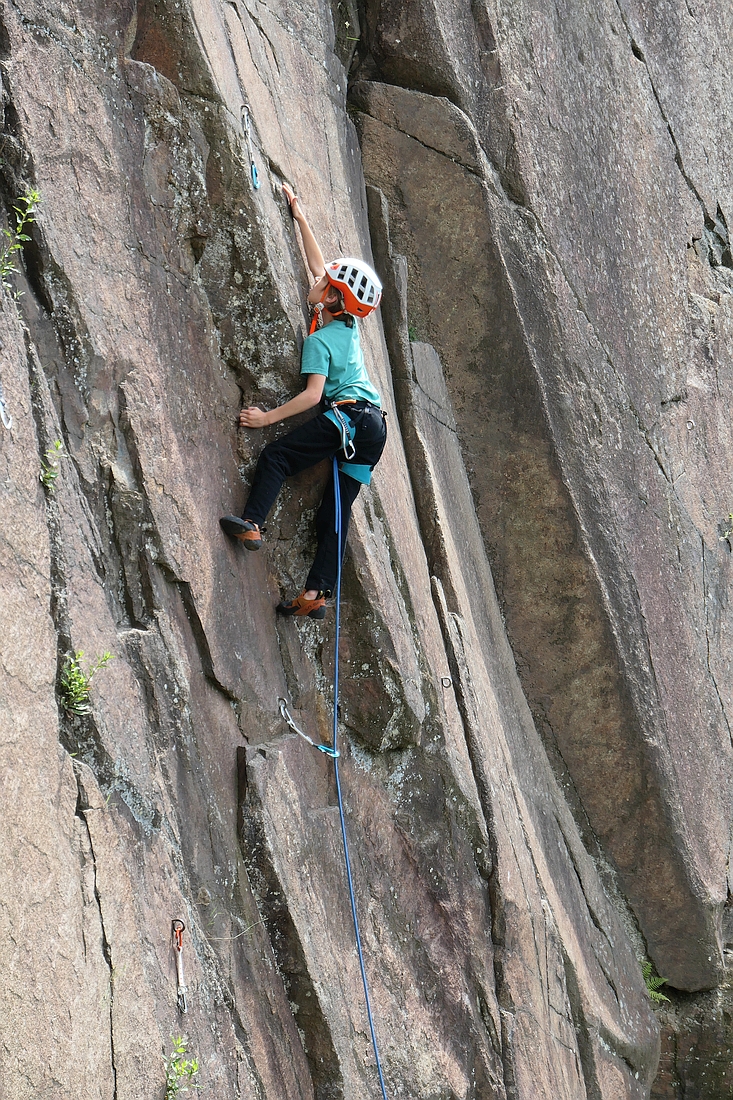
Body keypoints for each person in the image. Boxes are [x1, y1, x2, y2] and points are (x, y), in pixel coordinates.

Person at [219, 183, 387, 620]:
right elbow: (318, 265)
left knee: (276, 457)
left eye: (326, 283)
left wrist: (264, 419)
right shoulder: (345, 324)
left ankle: (252, 524)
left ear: (332, 298)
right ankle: (318, 592)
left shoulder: (320, 341)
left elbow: (313, 396)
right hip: (374, 430)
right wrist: (298, 214)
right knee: (334, 509)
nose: (318, 279)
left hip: (348, 420)